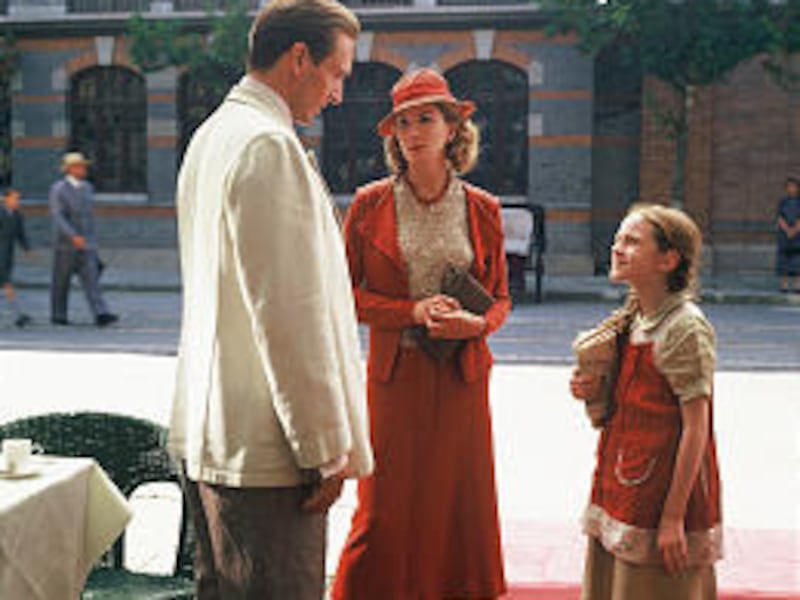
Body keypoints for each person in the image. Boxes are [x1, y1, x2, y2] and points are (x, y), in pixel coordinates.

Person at [168, 1, 373, 598]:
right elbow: (289, 315)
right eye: (336, 74)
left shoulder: (213, 135)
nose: (337, 94)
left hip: (215, 433)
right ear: (299, 58)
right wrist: (324, 446)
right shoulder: (266, 144)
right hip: (267, 452)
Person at [332, 68, 510, 600]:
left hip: (462, 376)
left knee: (459, 501)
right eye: (403, 123)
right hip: (396, 376)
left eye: (425, 119)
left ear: (453, 128)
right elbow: (343, 295)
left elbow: (501, 298)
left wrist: (478, 324)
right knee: (382, 505)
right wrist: (411, 311)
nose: (412, 132)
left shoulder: (483, 208)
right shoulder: (369, 204)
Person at [570, 204, 722, 600]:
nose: (617, 248)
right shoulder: (635, 317)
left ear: (668, 260)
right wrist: (593, 390)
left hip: (663, 492)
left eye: (632, 241)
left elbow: (697, 429)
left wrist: (673, 518)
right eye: (618, 239)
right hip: (625, 479)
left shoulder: (683, 326)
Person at [49, 152, 118, 327]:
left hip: (87, 243)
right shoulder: (59, 189)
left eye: (84, 166)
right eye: (80, 166)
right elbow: (58, 216)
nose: (83, 169)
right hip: (65, 244)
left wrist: (91, 240)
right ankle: (58, 314)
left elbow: (89, 217)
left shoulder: (88, 188)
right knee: (61, 281)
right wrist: (72, 235)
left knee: (92, 279)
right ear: (70, 169)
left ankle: (101, 313)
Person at [0, 188, 32, 328]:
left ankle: (17, 314)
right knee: (7, 284)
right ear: (6, 199)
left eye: (18, 198)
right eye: (15, 198)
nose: (17, 201)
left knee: (6, 284)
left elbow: (21, 234)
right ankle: (18, 315)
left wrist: (27, 248)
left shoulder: (17, 215)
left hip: (8, 254)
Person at [776, 176, 800, 293]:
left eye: (793, 186)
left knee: (798, 261)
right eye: (788, 187)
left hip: (798, 236)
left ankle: (798, 285)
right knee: (783, 261)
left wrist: (794, 230)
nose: (791, 189)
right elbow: (780, 217)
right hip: (784, 236)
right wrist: (787, 230)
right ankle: (784, 285)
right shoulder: (783, 202)